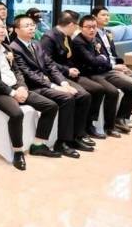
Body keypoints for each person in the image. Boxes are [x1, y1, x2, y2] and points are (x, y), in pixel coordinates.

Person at [0, 14, 61, 171]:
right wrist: (13, 93)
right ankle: (18, 152)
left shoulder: (7, 48)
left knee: (51, 106)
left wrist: (22, 87)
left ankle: (38, 144)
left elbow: (17, 71)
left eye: (3, 27)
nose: (2, 30)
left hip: (14, 87)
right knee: (16, 113)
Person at [10, 16, 94, 156]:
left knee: (83, 95)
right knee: (67, 98)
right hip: (33, 86)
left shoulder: (35, 43)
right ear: (17, 30)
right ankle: (62, 142)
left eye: (32, 25)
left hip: (47, 82)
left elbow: (50, 65)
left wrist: (63, 82)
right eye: (26, 26)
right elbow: (28, 74)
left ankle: (77, 136)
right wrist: (54, 87)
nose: (31, 28)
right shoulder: (14, 48)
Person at [40, 12, 108, 140]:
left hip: (69, 73)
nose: (77, 29)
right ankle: (78, 133)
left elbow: (69, 58)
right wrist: (67, 70)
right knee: (84, 95)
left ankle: (88, 125)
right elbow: (46, 62)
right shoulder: (49, 38)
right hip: (57, 75)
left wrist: (72, 69)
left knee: (98, 89)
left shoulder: (66, 36)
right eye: (77, 25)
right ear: (71, 24)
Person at [71, 15, 132, 137]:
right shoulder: (78, 42)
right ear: (80, 28)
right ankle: (105, 127)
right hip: (88, 74)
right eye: (88, 27)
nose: (92, 30)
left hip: (103, 70)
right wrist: (101, 59)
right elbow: (92, 61)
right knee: (112, 92)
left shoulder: (96, 39)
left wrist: (104, 61)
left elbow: (105, 57)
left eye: (94, 27)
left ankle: (118, 121)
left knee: (130, 87)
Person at [92, 6, 132, 121]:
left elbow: (113, 54)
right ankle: (121, 118)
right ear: (94, 17)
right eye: (103, 15)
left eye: (107, 15)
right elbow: (96, 59)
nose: (106, 17)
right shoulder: (91, 35)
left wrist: (122, 66)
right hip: (107, 70)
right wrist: (114, 67)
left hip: (118, 67)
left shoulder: (108, 33)